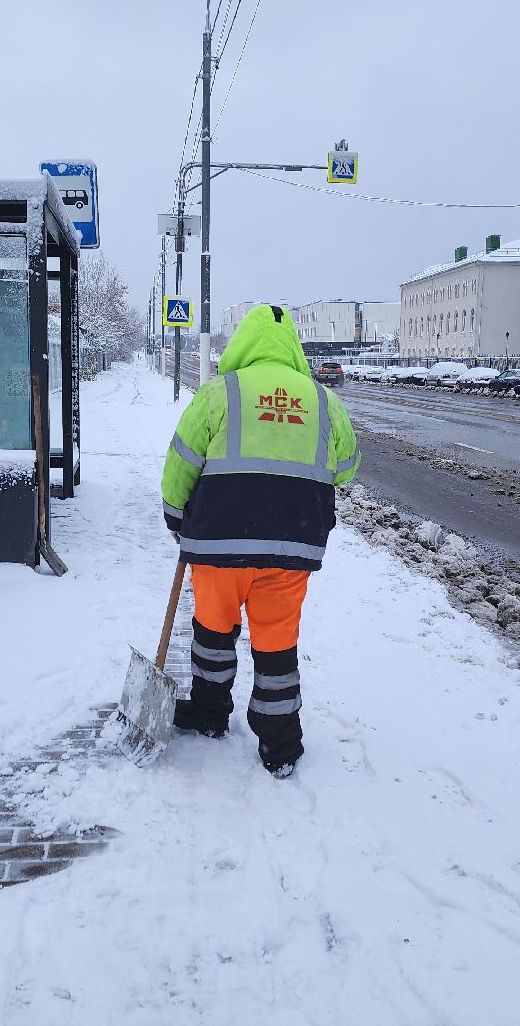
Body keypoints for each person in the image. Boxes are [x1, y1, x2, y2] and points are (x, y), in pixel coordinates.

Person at [160, 304, 359, 778]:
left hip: (218, 547)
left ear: (241, 344)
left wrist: (175, 518)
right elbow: (348, 466)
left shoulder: (218, 394)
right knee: (276, 643)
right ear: (292, 347)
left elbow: (181, 463)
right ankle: (280, 742)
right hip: (291, 550)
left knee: (213, 632)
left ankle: (209, 713)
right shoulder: (322, 401)